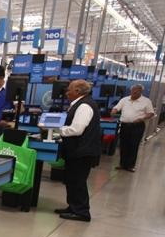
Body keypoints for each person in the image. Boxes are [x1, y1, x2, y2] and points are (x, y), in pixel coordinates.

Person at [55, 80, 102, 222]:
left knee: (78, 181)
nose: (66, 92)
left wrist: (58, 130)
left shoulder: (84, 106)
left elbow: (77, 129)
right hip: (76, 150)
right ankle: (73, 207)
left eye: (69, 89)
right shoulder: (80, 104)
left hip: (82, 151)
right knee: (71, 180)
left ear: (78, 91)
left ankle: (81, 212)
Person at [111, 84, 155, 172]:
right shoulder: (124, 99)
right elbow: (117, 107)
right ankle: (122, 164)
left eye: (137, 90)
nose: (134, 92)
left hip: (137, 126)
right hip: (124, 125)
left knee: (133, 145)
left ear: (141, 91)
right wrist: (114, 110)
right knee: (123, 145)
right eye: (133, 90)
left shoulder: (146, 101)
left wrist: (141, 118)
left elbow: (151, 113)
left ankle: (130, 165)